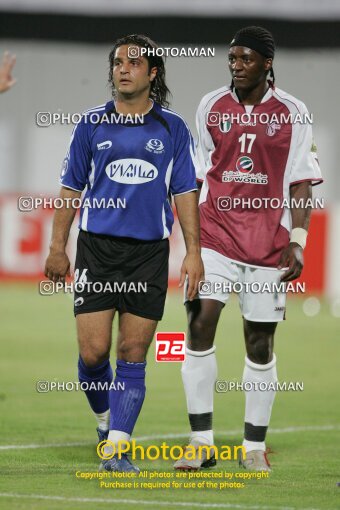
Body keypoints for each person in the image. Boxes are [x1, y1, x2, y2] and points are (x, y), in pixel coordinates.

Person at [44, 34, 203, 473]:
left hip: (149, 255)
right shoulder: (91, 124)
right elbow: (70, 189)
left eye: (133, 63)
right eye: (117, 63)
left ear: (153, 73)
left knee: (133, 351)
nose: (123, 69)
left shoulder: (172, 128)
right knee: (94, 354)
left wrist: (194, 253)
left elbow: (185, 191)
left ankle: (117, 449)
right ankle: (104, 422)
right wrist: (58, 247)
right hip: (98, 250)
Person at [174, 26, 322, 472]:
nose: (236, 66)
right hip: (216, 237)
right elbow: (196, 178)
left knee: (259, 343)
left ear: (267, 63)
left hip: (267, 248)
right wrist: (193, 247)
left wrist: (298, 242)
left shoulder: (293, 112)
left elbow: (300, 183)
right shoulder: (211, 106)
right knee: (199, 325)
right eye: (232, 59)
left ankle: (253, 447)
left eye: (245, 59)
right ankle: (200, 442)